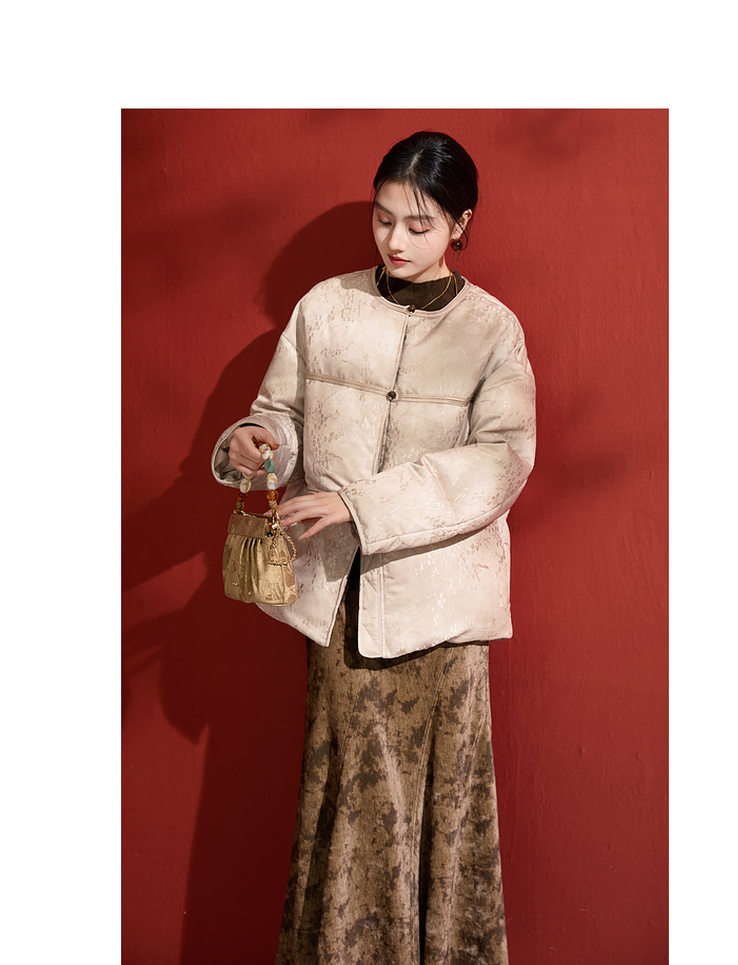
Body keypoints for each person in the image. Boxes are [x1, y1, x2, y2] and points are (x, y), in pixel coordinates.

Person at [211, 131, 536, 965]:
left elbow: (501, 462)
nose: (395, 240)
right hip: (342, 607)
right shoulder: (324, 308)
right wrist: (257, 444)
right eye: (382, 217)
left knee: (444, 816)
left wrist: (362, 502)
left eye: (419, 224)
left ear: (460, 222)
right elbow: (280, 417)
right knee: (347, 809)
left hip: (442, 615)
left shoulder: (493, 331)